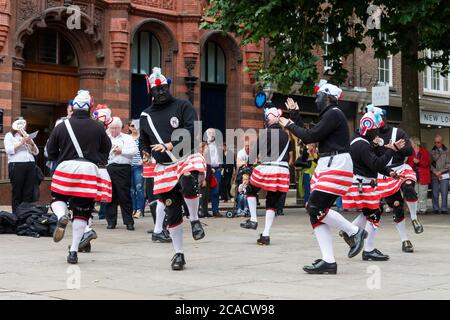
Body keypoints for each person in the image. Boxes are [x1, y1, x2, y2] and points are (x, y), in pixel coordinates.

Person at [279, 81, 367, 274]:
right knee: (315, 211)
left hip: (336, 164)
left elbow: (309, 136)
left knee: (315, 208)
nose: (316, 99)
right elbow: (310, 135)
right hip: (331, 164)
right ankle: (328, 261)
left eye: (318, 96)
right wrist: (294, 115)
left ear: (328, 97)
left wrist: (289, 123)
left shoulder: (334, 113)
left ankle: (355, 232)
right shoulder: (330, 115)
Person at [139, 67, 207, 270]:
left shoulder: (183, 105)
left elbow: (190, 129)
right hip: (163, 167)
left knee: (187, 180)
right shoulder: (145, 115)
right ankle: (179, 254)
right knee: (171, 208)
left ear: (168, 86)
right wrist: (145, 153)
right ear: (151, 91)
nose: (161, 92)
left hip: (185, 158)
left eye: (164, 88)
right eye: (157, 89)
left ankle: (195, 220)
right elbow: (143, 140)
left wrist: (169, 145)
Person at [47, 90, 111, 264]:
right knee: (82, 211)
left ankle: (61, 216)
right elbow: (107, 147)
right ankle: (73, 251)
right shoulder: (98, 126)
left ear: (73, 108)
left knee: (57, 199)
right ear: (90, 108)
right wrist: (99, 159)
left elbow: (50, 151)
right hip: (88, 170)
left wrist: (59, 158)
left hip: (65, 167)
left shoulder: (61, 125)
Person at [341, 109, 406, 261]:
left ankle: (349, 231)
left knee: (370, 212)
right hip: (363, 183)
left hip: (362, 182)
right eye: (375, 130)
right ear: (368, 127)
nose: (378, 133)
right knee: (374, 213)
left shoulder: (360, 141)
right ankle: (367, 249)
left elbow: (373, 163)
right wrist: (391, 151)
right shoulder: (362, 145)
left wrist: (391, 172)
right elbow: (376, 164)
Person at [374, 107, 423, 253]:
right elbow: (372, 159)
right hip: (385, 174)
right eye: (375, 118)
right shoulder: (372, 136)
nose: (378, 121)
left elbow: (409, 151)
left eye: (380, 117)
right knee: (397, 206)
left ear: (385, 118)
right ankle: (405, 240)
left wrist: (395, 148)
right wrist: (374, 145)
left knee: (408, 187)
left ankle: (414, 218)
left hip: (401, 168)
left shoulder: (398, 132)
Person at [240, 106, 290, 246]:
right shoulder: (286, 135)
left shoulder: (265, 133)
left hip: (268, 167)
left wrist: (247, 167)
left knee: (250, 190)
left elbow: (254, 153)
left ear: (268, 119)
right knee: (272, 202)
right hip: (283, 171)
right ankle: (266, 235)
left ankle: (254, 219)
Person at [106, 117, 138, 231]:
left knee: (124, 196)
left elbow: (134, 151)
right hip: (109, 167)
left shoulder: (127, 138)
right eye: (111, 128)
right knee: (110, 196)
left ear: (120, 128)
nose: (113, 130)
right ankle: (111, 221)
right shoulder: (106, 138)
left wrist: (121, 151)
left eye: (115, 128)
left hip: (123, 168)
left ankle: (129, 222)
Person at [4, 117, 39, 213]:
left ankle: (25, 215)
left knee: (28, 192)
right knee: (17, 191)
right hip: (17, 165)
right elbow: (9, 150)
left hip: (30, 164)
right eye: (21, 124)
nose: (24, 126)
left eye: (24, 124)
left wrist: (31, 143)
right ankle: (16, 215)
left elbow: (36, 152)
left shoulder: (27, 135)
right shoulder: (9, 135)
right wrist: (21, 142)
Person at [407, 137, 431, 214]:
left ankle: (423, 209)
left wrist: (419, 161)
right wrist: (414, 162)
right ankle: (416, 209)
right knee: (415, 193)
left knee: (423, 193)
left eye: (411, 143)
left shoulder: (424, 151)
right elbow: (408, 165)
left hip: (423, 175)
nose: (410, 144)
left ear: (415, 143)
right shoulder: (410, 152)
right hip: (414, 176)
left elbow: (427, 164)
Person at [129, 120, 146, 219]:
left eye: (136, 126)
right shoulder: (127, 138)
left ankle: (140, 209)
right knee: (131, 189)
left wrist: (143, 160)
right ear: (129, 127)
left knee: (139, 188)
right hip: (129, 165)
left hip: (139, 165)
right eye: (132, 126)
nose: (134, 127)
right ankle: (133, 209)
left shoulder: (142, 138)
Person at [205, 128, 223, 217]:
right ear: (206, 134)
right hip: (207, 170)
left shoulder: (218, 144)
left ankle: (215, 210)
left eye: (213, 133)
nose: (212, 134)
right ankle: (204, 211)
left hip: (217, 170)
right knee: (205, 191)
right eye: (210, 133)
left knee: (216, 191)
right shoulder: (204, 145)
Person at [430, 134, 450, 214]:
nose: (436, 144)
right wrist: (435, 172)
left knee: (444, 192)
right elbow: (429, 164)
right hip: (434, 175)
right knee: (435, 193)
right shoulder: (432, 152)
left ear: (442, 142)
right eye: (435, 142)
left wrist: (440, 171)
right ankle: (435, 208)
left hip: (444, 174)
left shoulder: (447, 151)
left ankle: (444, 208)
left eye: (438, 142)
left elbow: (448, 164)